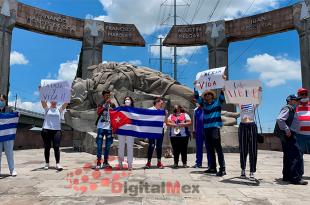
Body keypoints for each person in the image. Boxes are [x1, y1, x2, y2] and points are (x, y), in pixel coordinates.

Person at [194, 77, 227, 177]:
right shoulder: (203, 104)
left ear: (212, 96)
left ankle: (222, 168)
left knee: (218, 148)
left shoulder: (217, 102)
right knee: (209, 148)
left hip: (215, 128)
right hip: (206, 129)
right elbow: (196, 97)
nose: (207, 95)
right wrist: (195, 86)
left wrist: (223, 81)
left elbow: (222, 92)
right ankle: (212, 167)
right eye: (206, 94)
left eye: (209, 94)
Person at [275, 94, 307, 185]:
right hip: (289, 134)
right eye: (296, 100)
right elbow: (280, 119)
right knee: (296, 155)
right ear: (290, 100)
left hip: (289, 135)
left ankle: (287, 176)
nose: (298, 101)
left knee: (288, 156)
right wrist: (287, 129)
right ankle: (295, 178)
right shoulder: (288, 108)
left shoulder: (291, 108)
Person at [40, 90, 68, 171]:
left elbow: (66, 103)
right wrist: (41, 91)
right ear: (50, 101)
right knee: (47, 147)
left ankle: (58, 163)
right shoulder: (47, 109)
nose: (54, 101)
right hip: (46, 130)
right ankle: (47, 163)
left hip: (56, 130)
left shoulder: (59, 109)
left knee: (56, 146)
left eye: (55, 100)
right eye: (52, 100)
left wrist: (69, 93)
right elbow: (42, 101)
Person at [237, 103, 258, 180]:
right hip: (242, 125)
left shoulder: (254, 102)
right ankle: (243, 169)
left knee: (253, 149)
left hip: (251, 124)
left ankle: (252, 171)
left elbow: (259, 99)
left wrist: (259, 91)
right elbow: (231, 98)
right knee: (243, 149)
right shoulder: (240, 101)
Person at [144, 97, 166, 169]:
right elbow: (146, 119)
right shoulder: (149, 110)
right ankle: (148, 162)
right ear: (157, 102)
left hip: (160, 130)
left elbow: (164, 121)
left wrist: (165, 116)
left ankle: (159, 162)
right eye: (161, 103)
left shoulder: (162, 111)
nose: (162, 104)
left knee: (159, 146)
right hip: (151, 130)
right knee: (151, 145)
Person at [96, 90, 115, 169]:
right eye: (106, 95)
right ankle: (98, 162)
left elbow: (115, 114)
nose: (107, 97)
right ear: (103, 96)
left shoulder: (112, 104)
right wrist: (105, 105)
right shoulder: (100, 103)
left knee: (107, 146)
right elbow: (98, 112)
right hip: (101, 127)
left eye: (108, 95)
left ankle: (105, 162)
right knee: (99, 145)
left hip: (109, 128)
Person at [0, 94, 17, 176]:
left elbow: (14, 118)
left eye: (2, 100)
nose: (0, 102)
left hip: (8, 136)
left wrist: (17, 114)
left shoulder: (9, 109)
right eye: (0, 100)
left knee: (9, 153)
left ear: (5, 101)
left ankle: (12, 170)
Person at [192, 101, 212, 169]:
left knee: (209, 147)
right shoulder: (195, 110)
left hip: (207, 130)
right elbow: (194, 121)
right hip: (198, 131)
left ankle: (210, 164)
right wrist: (194, 130)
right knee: (199, 148)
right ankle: (198, 163)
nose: (197, 102)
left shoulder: (208, 108)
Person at [295, 88, 310, 176]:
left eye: (305, 94)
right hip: (299, 135)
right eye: (301, 94)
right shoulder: (295, 107)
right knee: (299, 156)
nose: (303, 95)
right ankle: (299, 174)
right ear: (298, 95)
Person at [118, 96, 135, 171]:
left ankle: (130, 163)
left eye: (128, 99)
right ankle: (120, 162)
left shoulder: (134, 110)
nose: (127, 100)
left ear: (131, 101)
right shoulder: (121, 108)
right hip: (121, 129)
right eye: (126, 99)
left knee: (130, 147)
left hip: (130, 130)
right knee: (121, 146)